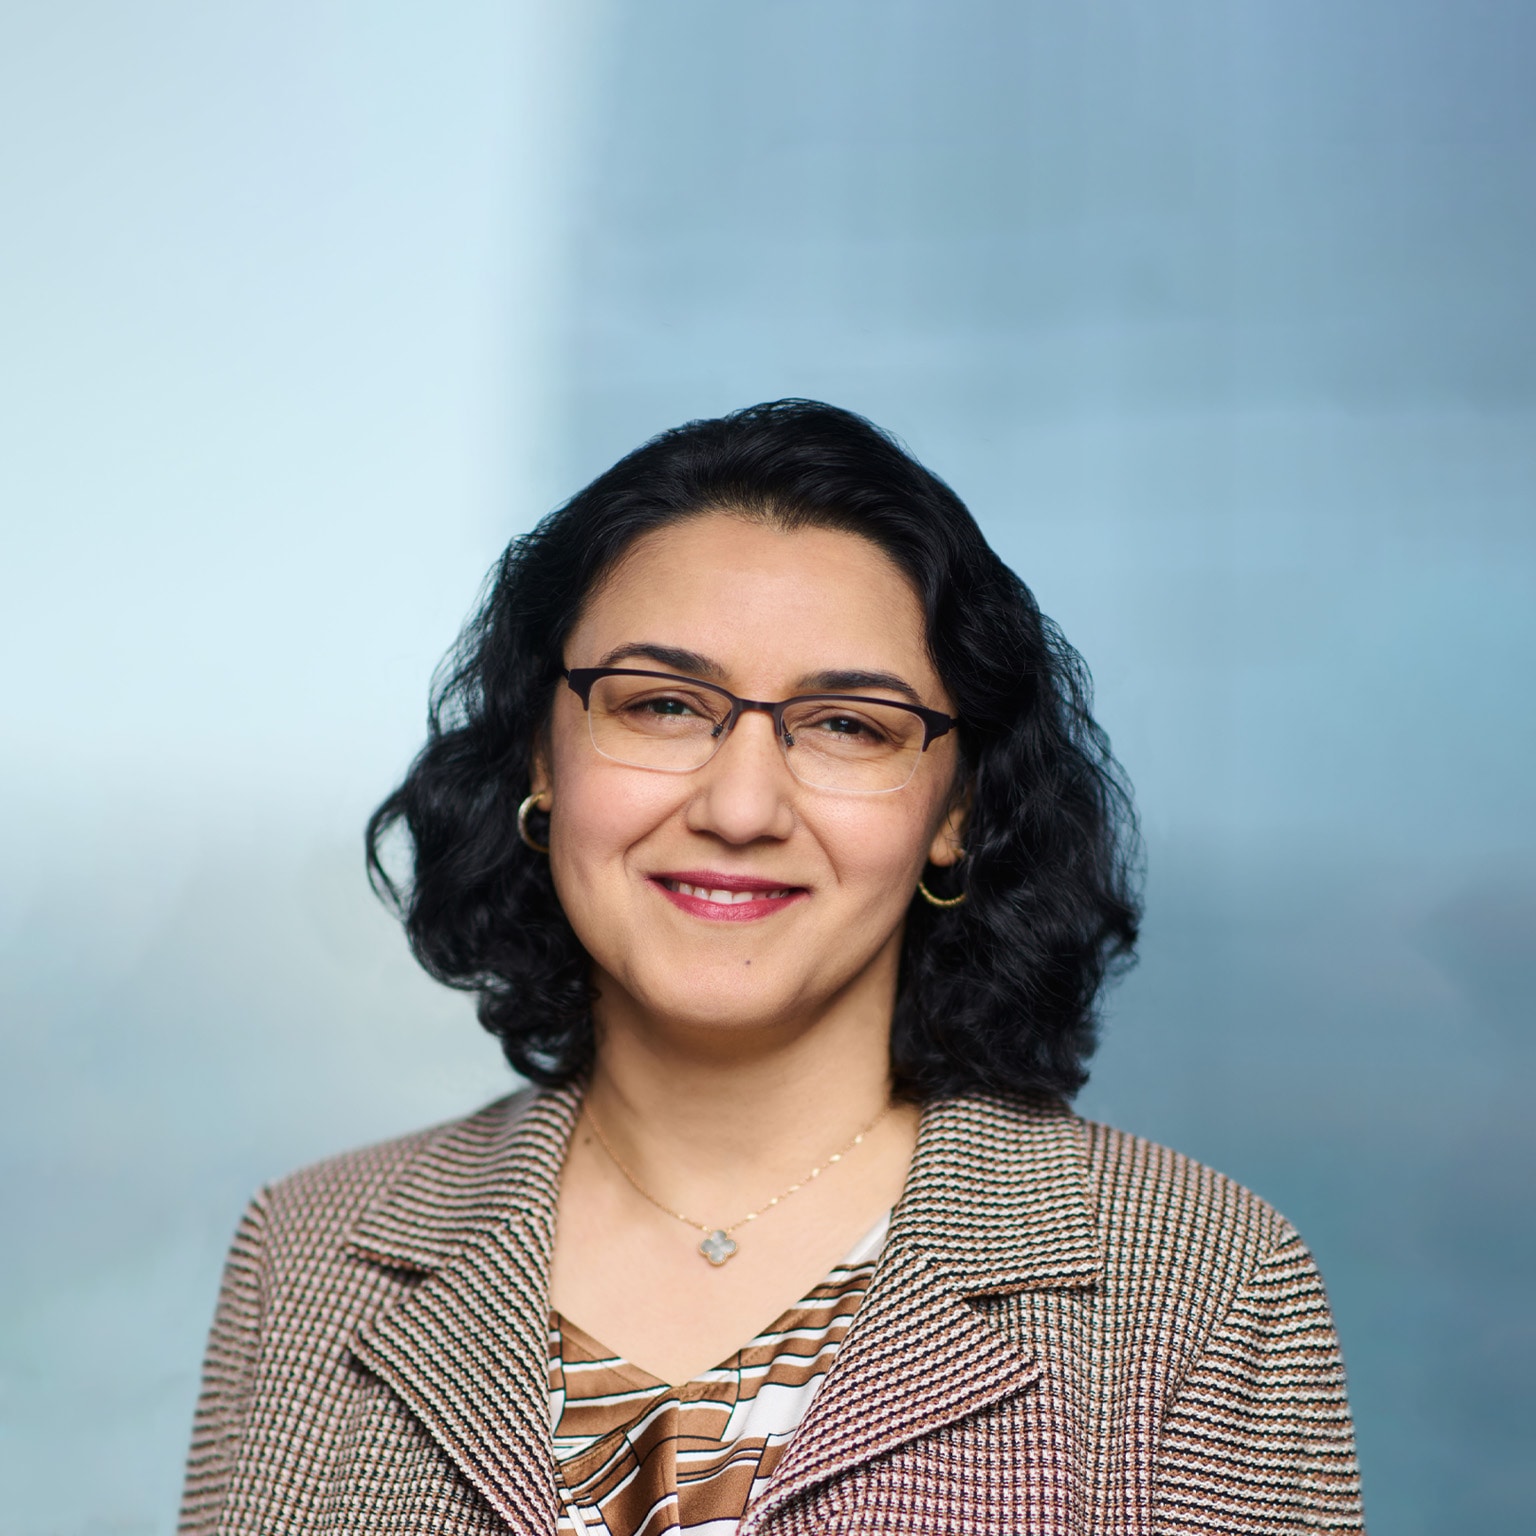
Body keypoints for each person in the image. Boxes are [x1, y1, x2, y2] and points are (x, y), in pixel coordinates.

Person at [178, 400, 1364, 1534]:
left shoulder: (1205, 1286)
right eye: (659, 705)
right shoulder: (314, 1254)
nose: (741, 806)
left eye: (850, 724)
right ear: (542, 755)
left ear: (956, 809)